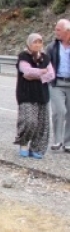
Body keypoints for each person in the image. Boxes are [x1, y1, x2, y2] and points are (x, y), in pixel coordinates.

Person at [15, 33, 54, 159]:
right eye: (34, 42)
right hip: (26, 93)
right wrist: (42, 72)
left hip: (41, 94)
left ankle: (37, 148)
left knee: (42, 124)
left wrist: (36, 75)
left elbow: (51, 74)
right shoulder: (23, 56)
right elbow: (26, 71)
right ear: (29, 43)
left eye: (39, 42)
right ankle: (24, 143)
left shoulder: (45, 57)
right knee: (29, 121)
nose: (37, 45)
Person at [47, 18, 70, 152]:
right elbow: (44, 63)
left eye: (58, 30)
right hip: (57, 83)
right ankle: (57, 140)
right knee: (60, 111)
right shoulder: (52, 47)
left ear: (68, 31)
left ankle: (67, 143)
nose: (56, 32)